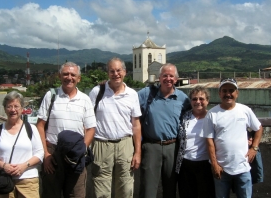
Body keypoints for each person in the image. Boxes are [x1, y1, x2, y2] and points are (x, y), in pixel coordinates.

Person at [36, 62, 96, 198]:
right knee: (51, 194)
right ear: (60, 76)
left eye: (73, 75)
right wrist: (45, 154)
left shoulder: (85, 99)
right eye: (65, 74)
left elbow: (91, 128)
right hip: (53, 154)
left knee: (76, 194)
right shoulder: (51, 96)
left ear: (78, 78)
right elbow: (40, 125)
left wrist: (82, 149)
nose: (69, 77)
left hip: (76, 155)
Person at [201, 78, 263, 198]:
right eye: (224, 91)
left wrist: (254, 148)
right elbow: (209, 141)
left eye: (231, 90)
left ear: (237, 93)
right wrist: (214, 164)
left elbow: (259, 128)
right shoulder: (212, 114)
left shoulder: (245, 110)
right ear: (219, 93)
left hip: (243, 168)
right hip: (221, 169)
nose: (228, 94)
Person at [89, 57, 142, 198]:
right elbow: (87, 121)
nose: (115, 74)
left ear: (124, 72)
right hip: (101, 144)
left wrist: (137, 152)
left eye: (118, 70)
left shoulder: (132, 94)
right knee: (101, 191)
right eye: (112, 71)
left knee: (125, 188)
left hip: (125, 145)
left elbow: (136, 125)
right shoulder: (96, 92)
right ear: (107, 73)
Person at [138, 63, 191, 198]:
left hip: (173, 147)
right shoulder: (146, 94)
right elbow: (127, 102)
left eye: (171, 76)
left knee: (170, 187)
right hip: (151, 146)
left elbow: (194, 118)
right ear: (159, 78)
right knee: (148, 189)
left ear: (176, 79)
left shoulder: (183, 98)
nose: (168, 78)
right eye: (165, 75)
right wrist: (105, 86)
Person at [0, 91, 44, 198]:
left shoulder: (31, 129)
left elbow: (40, 153)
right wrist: (4, 166)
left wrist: (24, 166)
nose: (13, 110)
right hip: (4, 181)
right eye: (9, 106)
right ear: (4, 109)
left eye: (16, 106)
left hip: (28, 180)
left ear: (22, 109)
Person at [175, 85, 215, 198]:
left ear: (207, 101)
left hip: (206, 164)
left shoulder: (213, 118)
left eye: (201, 99)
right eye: (194, 99)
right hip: (185, 164)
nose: (198, 102)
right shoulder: (184, 117)